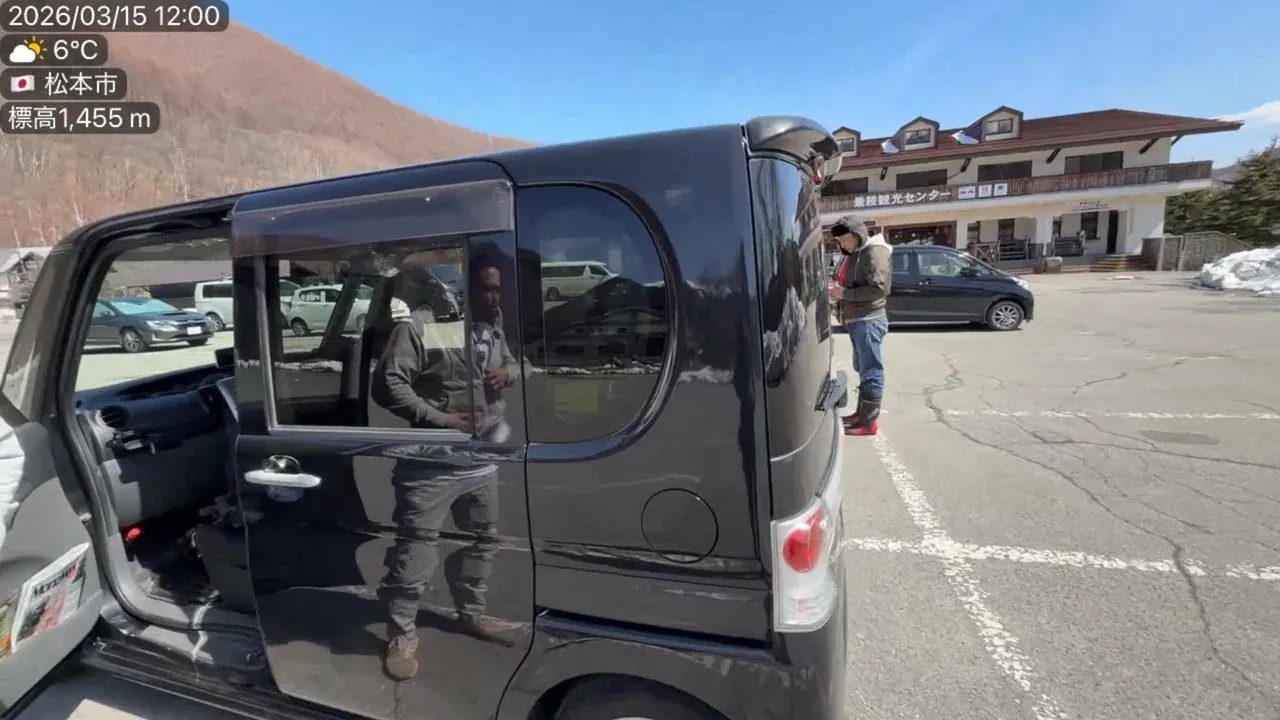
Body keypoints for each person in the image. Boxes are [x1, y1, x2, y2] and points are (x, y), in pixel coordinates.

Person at [371, 257, 521, 681]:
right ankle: (401, 633)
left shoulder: (491, 325)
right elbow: (388, 385)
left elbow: (515, 362)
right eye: (487, 289)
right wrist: (441, 420)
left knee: (481, 542)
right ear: (463, 289)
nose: (495, 297)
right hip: (431, 467)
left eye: (498, 289)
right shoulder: (422, 326)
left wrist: (507, 373)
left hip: (481, 460)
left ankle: (470, 613)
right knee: (415, 552)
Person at [828, 215, 892, 436]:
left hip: (868, 319)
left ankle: (868, 423)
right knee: (863, 369)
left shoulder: (875, 252)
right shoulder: (857, 252)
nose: (843, 245)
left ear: (859, 235)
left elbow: (878, 290)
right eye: (840, 241)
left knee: (871, 370)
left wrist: (844, 293)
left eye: (846, 240)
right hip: (858, 320)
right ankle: (861, 415)